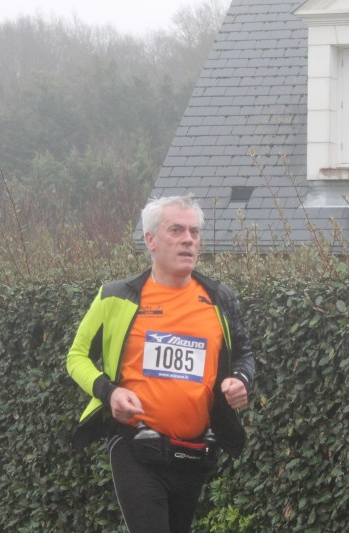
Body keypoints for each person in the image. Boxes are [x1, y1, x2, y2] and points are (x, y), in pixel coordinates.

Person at [66, 195, 256, 533]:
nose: (188, 240)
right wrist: (110, 393)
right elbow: (76, 356)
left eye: (195, 232)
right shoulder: (116, 297)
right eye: (177, 230)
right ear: (150, 239)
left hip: (193, 450)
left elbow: (244, 354)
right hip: (135, 446)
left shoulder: (219, 298)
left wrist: (241, 380)